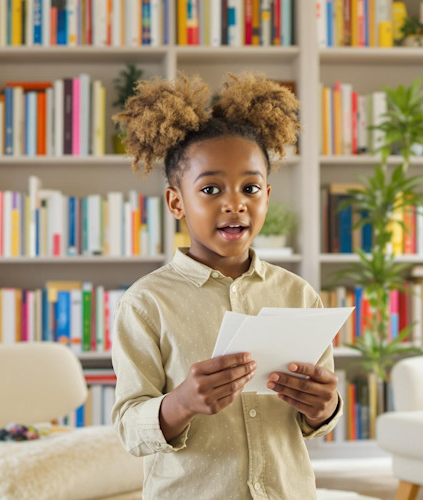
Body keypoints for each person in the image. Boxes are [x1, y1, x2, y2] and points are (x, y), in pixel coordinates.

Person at [110, 73, 342, 499]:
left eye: (249, 188)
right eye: (211, 188)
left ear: (267, 197)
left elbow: (316, 420)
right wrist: (180, 403)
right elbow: (128, 427)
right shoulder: (146, 304)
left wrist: (325, 406)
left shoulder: (299, 295)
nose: (234, 203)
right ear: (176, 202)